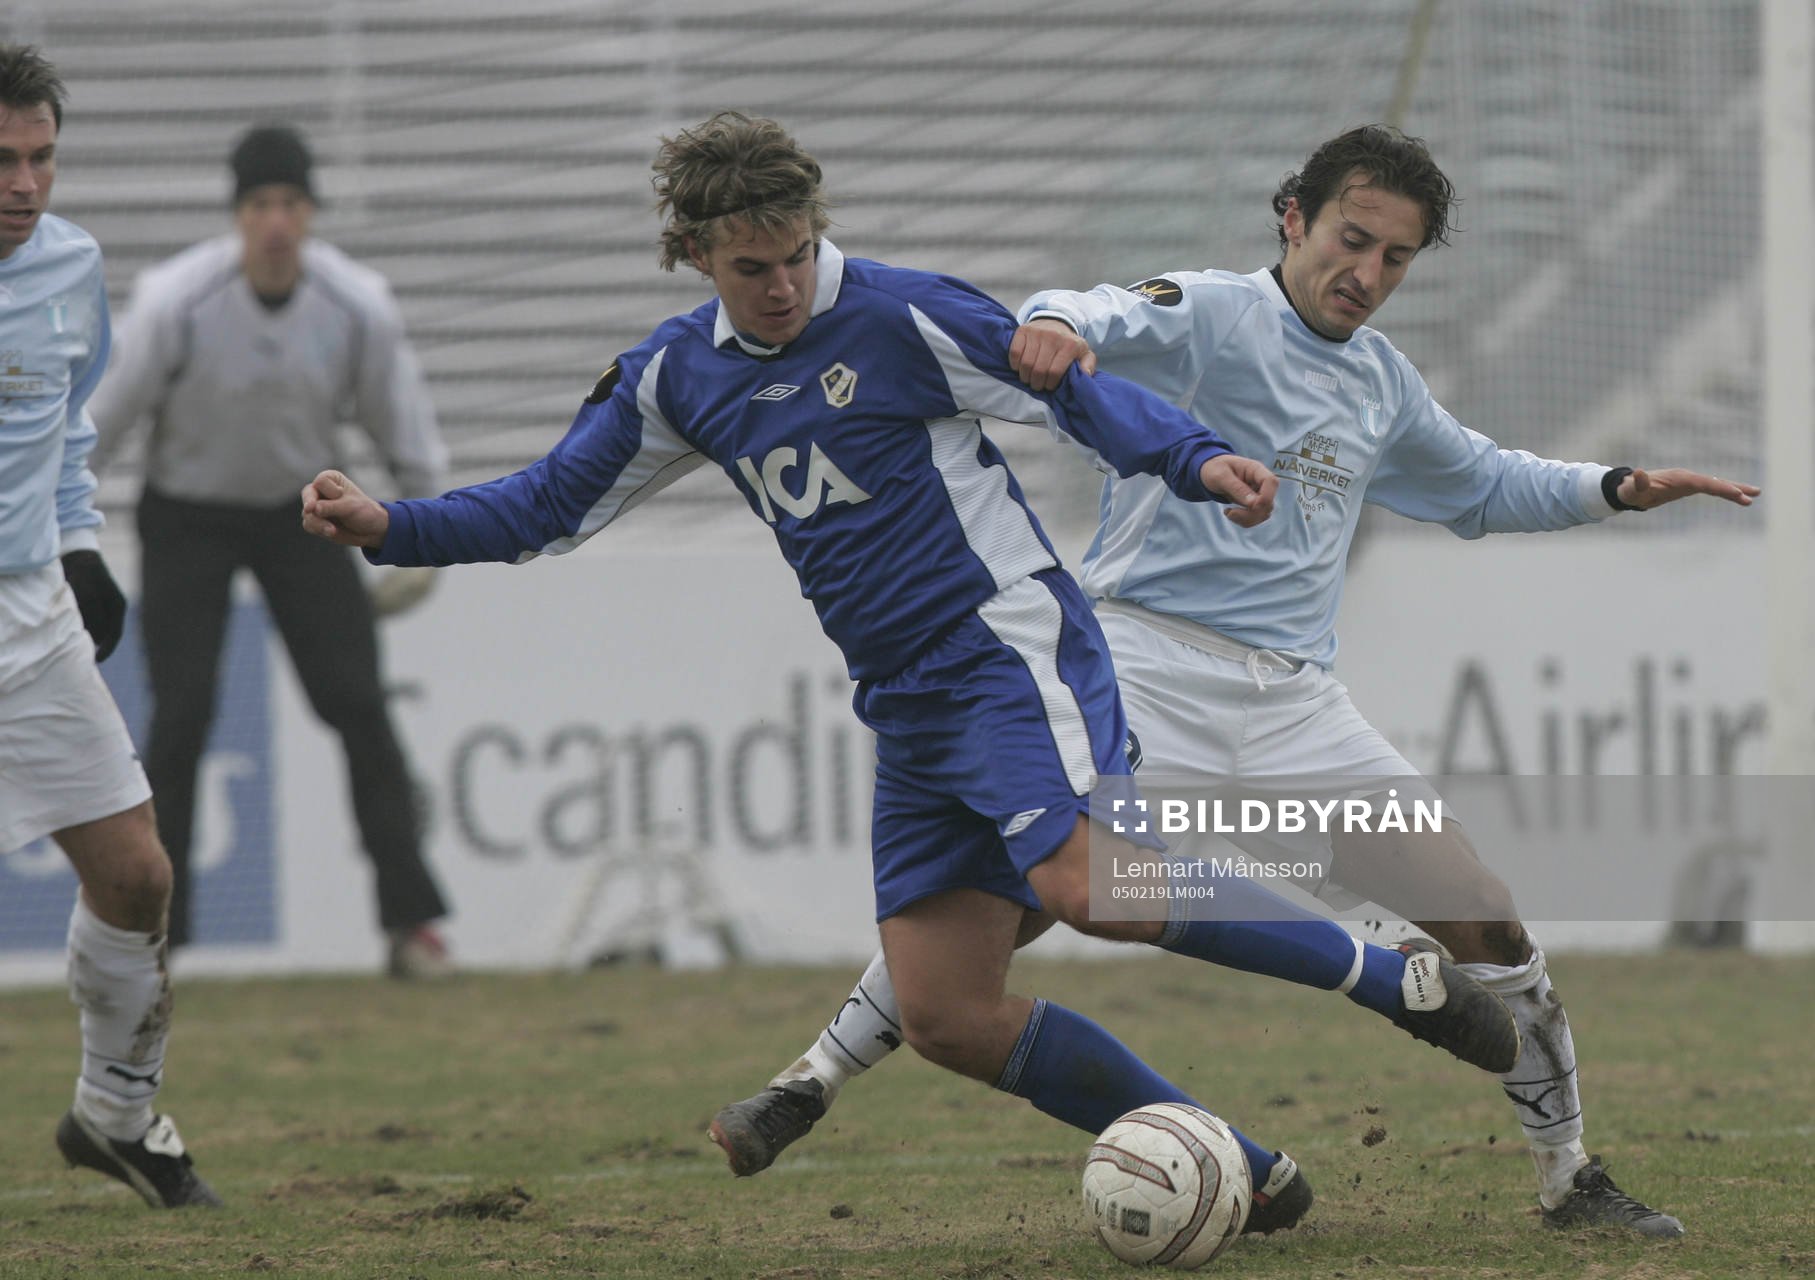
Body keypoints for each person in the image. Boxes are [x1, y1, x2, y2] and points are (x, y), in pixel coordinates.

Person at [300, 111, 1521, 1234]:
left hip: (1005, 647)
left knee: (1087, 880)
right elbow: (547, 507)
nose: (781, 288)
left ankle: (1384, 970)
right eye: (750, 270)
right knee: (946, 1012)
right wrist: (391, 524)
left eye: (795, 256)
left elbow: (1074, 395)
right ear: (693, 255)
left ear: (816, 230)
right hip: (907, 701)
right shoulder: (679, 378)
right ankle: (1243, 1169)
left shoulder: (899, 317)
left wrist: (1198, 461)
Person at [713, 125, 1757, 1239]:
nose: (1367, 274)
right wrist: (1059, 324)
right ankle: (811, 1075)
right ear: (1294, 218)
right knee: (1011, 907)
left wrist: (1615, 485)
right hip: (1143, 667)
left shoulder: (1381, 381)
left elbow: (1482, 482)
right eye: (1353, 239)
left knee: (1488, 923)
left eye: (1397, 258)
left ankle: (1570, 1176)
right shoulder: (1210, 310)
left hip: (1298, 703)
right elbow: (1092, 308)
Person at [88, 123, 454, 978]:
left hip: (305, 516)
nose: (277, 223)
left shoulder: (356, 303)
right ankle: (157, 938)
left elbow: (404, 432)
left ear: (312, 212)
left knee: (358, 704)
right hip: (186, 515)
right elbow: (102, 426)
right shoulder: (178, 298)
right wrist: (64, 534)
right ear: (238, 216)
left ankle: (412, 926)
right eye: (260, 205)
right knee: (180, 718)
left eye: (292, 203)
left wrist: (427, 542)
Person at [0, 43, 218, 1208]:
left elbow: (68, 431)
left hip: (28, 616)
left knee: (136, 875)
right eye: (2, 160)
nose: (24, 185)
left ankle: (118, 1114)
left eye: (40, 158)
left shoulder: (71, 265)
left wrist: (80, 544)